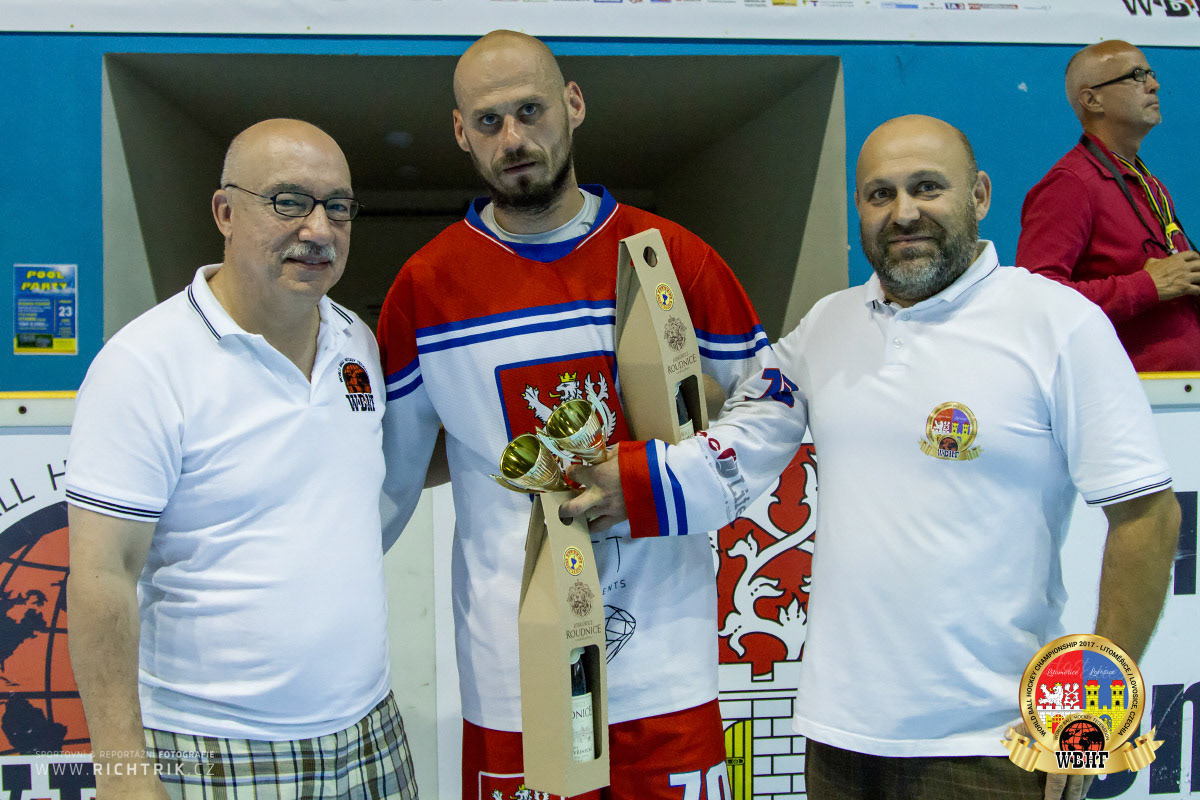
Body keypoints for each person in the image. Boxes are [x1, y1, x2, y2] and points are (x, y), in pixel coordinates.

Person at [562, 115, 1180, 800]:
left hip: (991, 746)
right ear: (858, 208)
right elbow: (742, 434)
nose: (904, 212)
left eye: (927, 187)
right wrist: (632, 473)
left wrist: (1088, 722)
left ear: (979, 195)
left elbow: (1149, 518)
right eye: (881, 194)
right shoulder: (827, 326)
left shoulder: (1058, 323)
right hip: (839, 741)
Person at [376, 30, 770, 800]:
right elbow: (390, 476)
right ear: (460, 133)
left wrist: (658, 481)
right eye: (488, 121)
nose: (513, 138)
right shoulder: (425, 288)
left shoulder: (673, 256)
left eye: (530, 111)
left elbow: (767, 413)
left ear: (574, 104)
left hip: (666, 666)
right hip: (514, 671)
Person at [66, 119, 417, 800]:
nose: (318, 229)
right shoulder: (143, 365)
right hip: (212, 749)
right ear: (225, 213)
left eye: (338, 207)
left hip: (371, 734)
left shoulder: (357, 343)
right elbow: (103, 575)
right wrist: (121, 770)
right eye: (289, 201)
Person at [1016, 40, 1199, 372]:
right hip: (1126, 392)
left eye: (1151, 74)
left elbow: (1174, 282)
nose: (1154, 84)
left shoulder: (1150, 185)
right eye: (1137, 75)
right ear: (1092, 100)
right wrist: (1147, 286)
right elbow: (1035, 301)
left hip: (1180, 390)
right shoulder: (1070, 184)